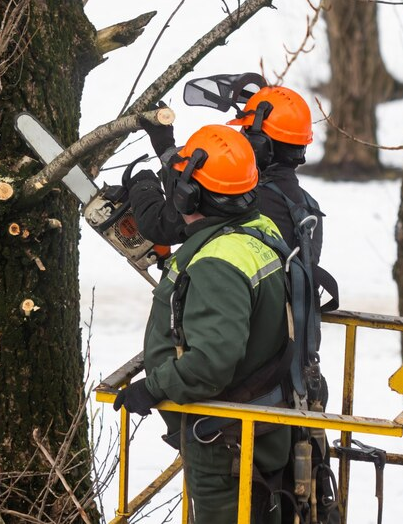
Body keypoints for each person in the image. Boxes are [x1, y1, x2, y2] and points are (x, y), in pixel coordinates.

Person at [114, 124, 291, 523]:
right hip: (256, 429)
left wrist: (153, 387)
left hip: (225, 443)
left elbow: (211, 362)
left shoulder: (217, 263)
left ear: (187, 194)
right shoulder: (257, 229)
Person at [127, 85, 324, 267]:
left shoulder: (242, 200)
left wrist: (143, 186)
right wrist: (168, 151)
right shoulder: (308, 207)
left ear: (258, 143)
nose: (241, 136)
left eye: (245, 129)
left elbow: (161, 224)